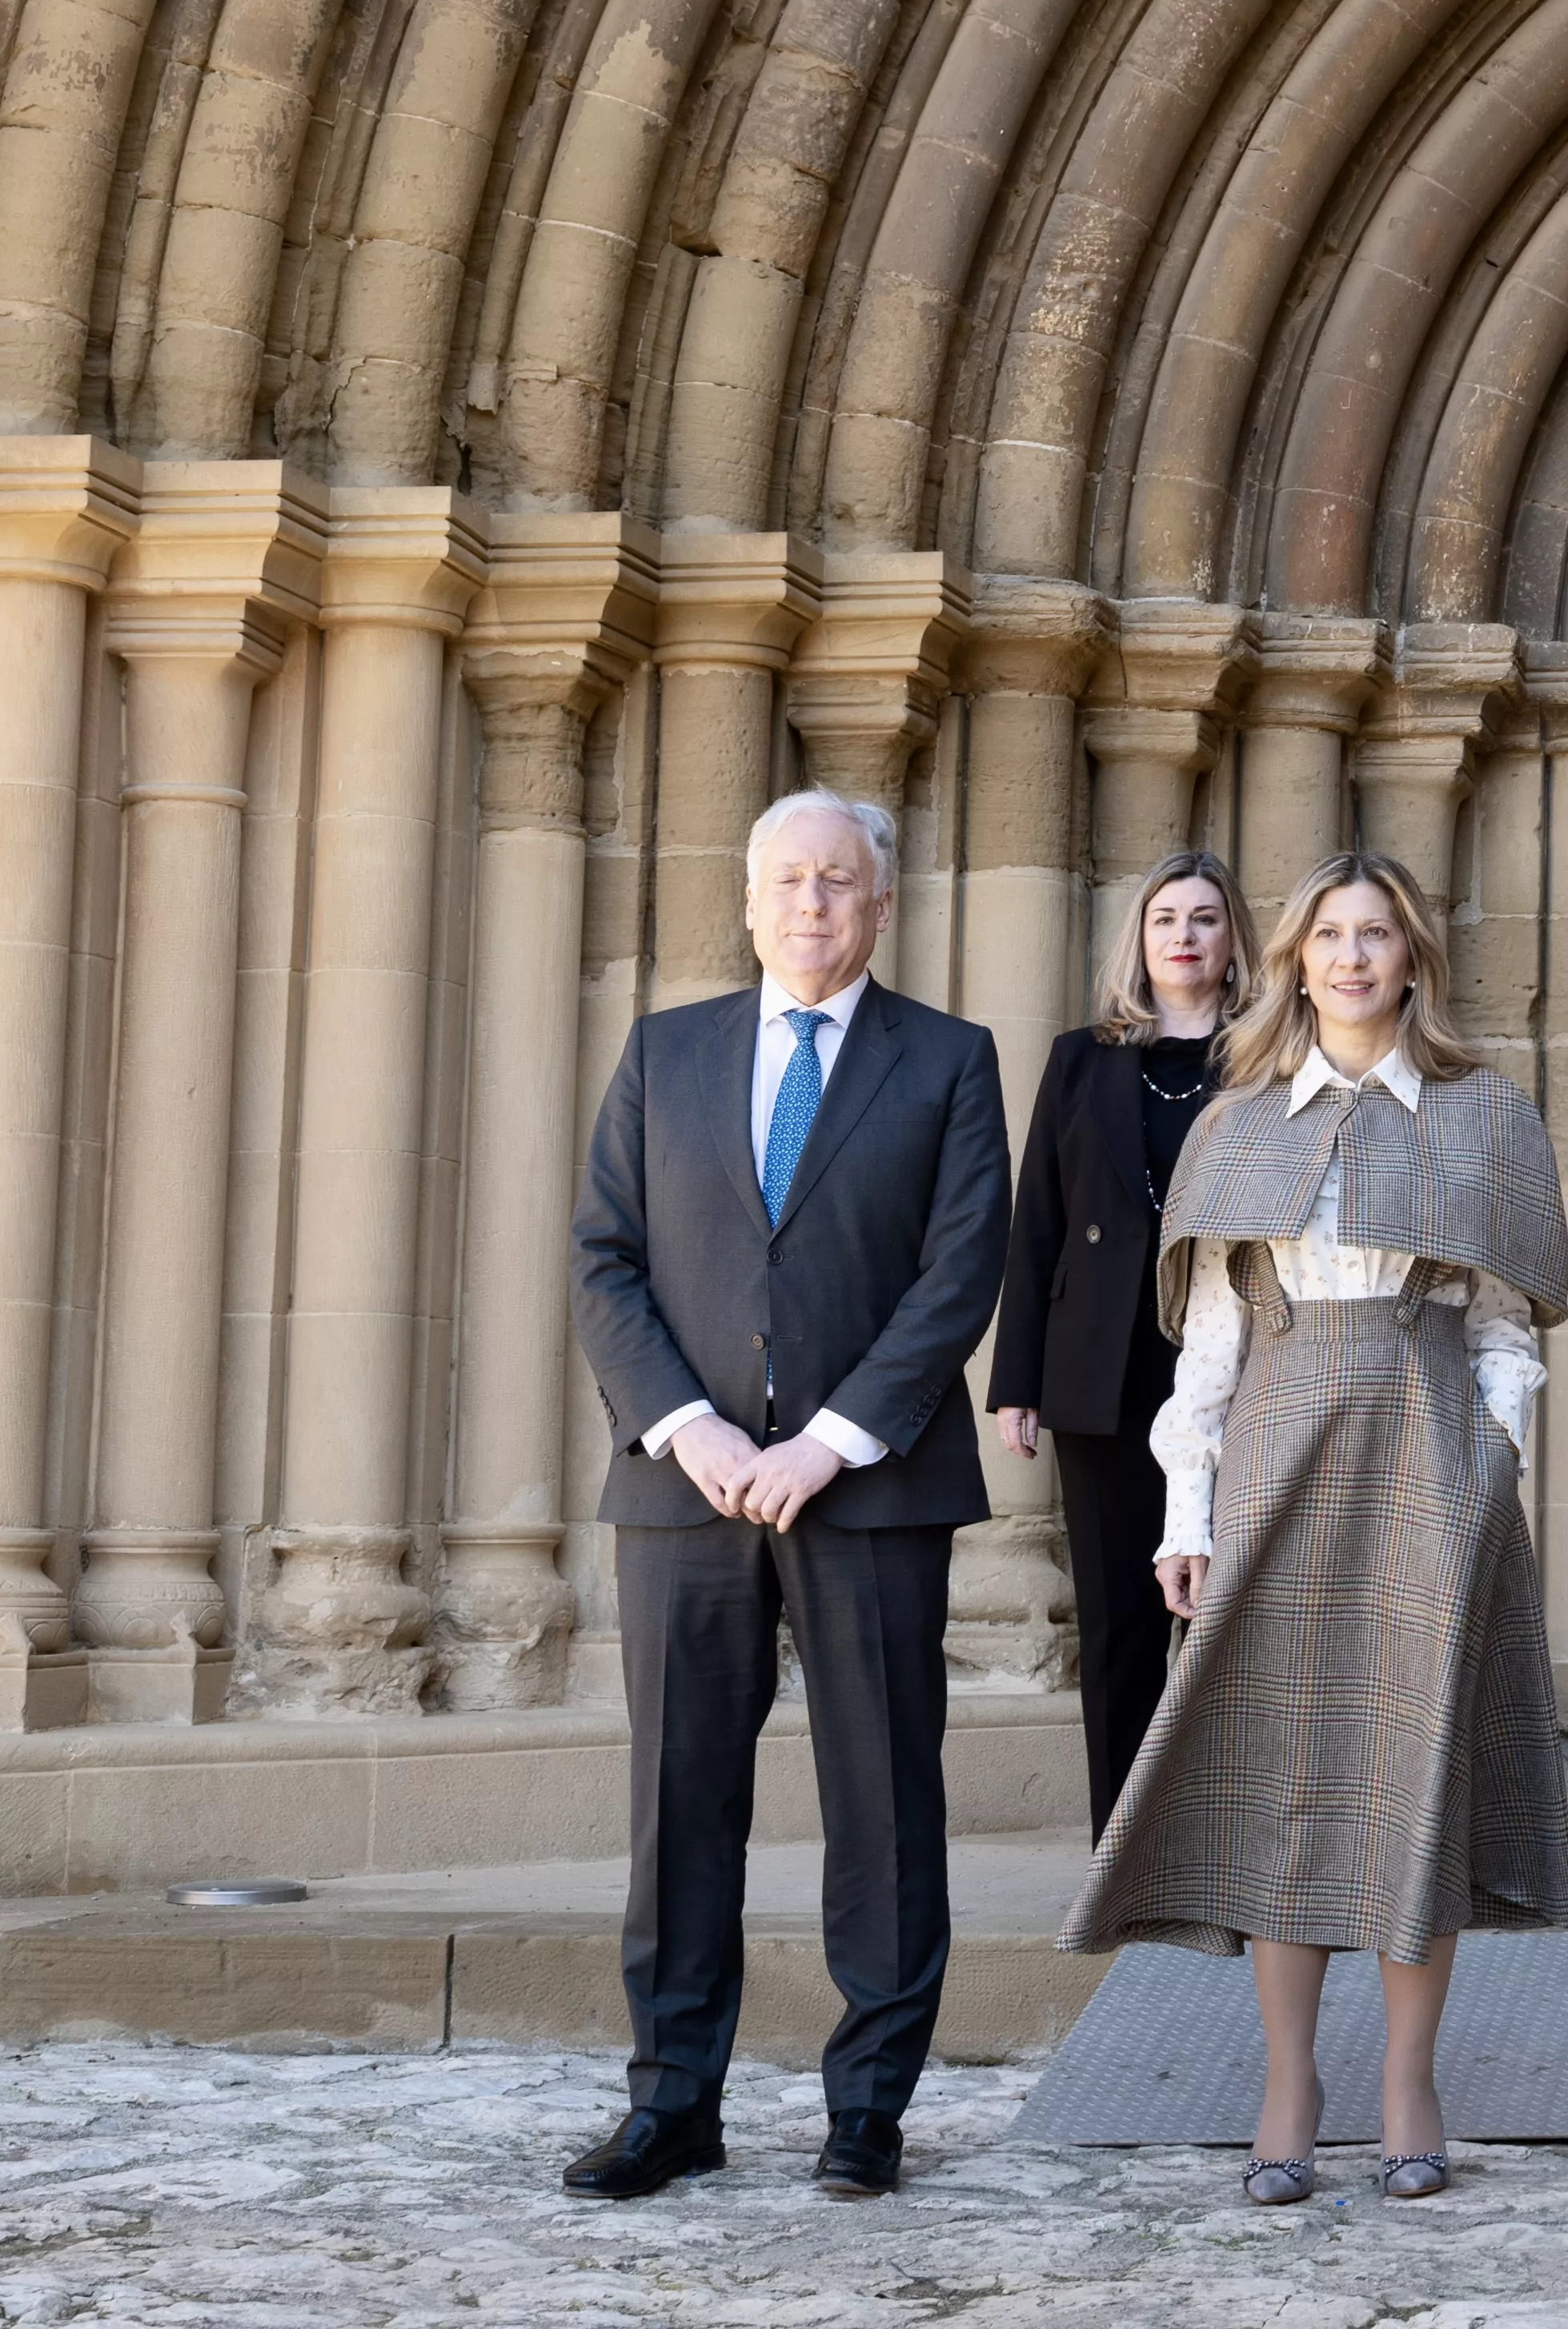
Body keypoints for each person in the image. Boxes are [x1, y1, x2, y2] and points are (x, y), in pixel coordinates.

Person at [1061, 850, 1568, 2204]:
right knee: (1285, 1784)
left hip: (1428, 1458)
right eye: (1331, 935)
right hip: (1276, 1462)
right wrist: (1186, 1513)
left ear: (1415, 957)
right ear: (1293, 959)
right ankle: (1290, 2079)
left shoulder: (1483, 1115)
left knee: (1413, 1782)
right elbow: (1211, 1355)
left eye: (1379, 935)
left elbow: (1508, 1335)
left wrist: (1492, 1469)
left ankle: (1411, 2077)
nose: (1353, 957)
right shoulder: (1238, 1122)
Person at [564, 791, 1015, 2204]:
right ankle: (672, 2105)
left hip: (867, 1493)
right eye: (788, 881)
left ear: (882, 904)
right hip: (685, 1493)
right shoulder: (663, 1053)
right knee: (679, 1803)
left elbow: (959, 1275)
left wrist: (827, 1443)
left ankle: (865, 2110)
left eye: (839, 880)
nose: (812, 903)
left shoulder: (947, 1061)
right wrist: (690, 1428)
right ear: (748, 902)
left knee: (882, 1806)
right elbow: (603, 1262)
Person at [987, 852, 1252, 1841]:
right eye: (1164, 917)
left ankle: (1224, 1839)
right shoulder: (1080, 1056)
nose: (1183, 934)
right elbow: (1036, 1219)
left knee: (1228, 1601)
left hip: (1235, 1359)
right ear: (1139, 943)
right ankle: (1126, 1845)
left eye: (1205, 917)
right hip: (1100, 1361)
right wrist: (1019, 1377)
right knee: (1118, 1611)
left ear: (1234, 942)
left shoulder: (1270, 1056)